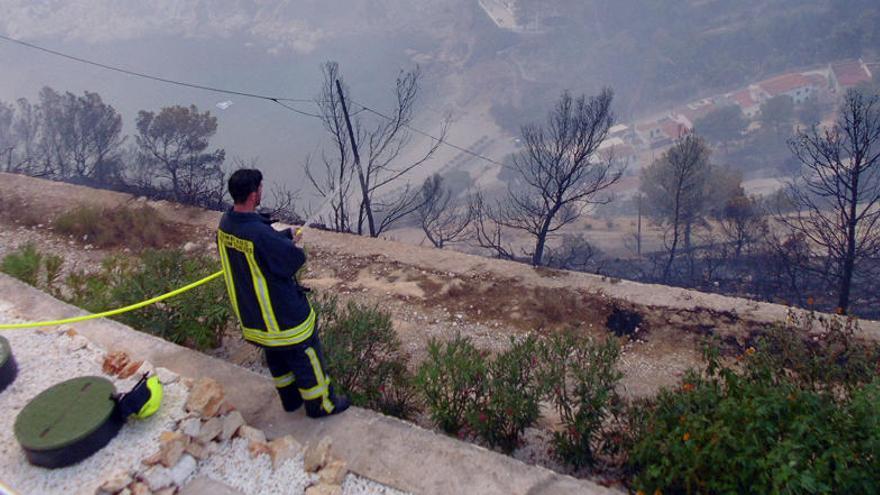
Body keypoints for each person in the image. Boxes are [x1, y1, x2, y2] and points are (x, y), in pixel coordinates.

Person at [217, 168, 349, 417]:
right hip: (282, 316)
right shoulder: (257, 233)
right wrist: (294, 246)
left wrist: (283, 236)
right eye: (260, 189)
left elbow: (261, 246)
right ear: (254, 193)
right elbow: (290, 261)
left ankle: (290, 400)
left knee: (276, 357)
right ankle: (322, 404)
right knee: (306, 354)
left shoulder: (226, 223)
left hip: (254, 316)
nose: (261, 192)